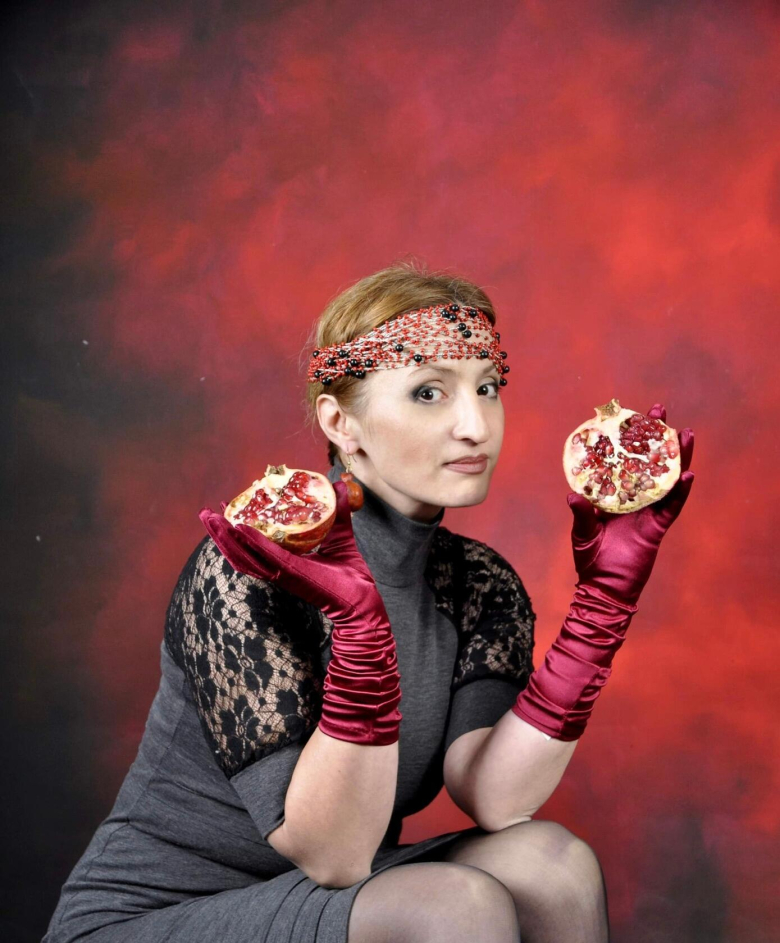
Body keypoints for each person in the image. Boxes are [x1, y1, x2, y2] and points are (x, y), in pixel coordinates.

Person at [42, 261, 694, 943]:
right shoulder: (246, 565)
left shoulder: (480, 581)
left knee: (554, 865)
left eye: (487, 387)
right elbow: (334, 855)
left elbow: (496, 797)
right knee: (454, 906)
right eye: (428, 393)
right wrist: (362, 635)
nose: (476, 425)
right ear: (341, 422)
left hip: (337, 890)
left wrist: (603, 606)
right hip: (156, 915)